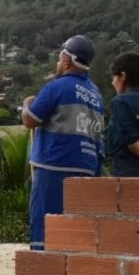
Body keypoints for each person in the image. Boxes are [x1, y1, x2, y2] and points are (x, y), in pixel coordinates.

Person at [22, 35, 104, 251]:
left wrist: (26, 104)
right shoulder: (95, 93)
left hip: (54, 166)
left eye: (60, 58)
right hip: (86, 168)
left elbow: (30, 119)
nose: (58, 63)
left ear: (67, 62)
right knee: (74, 227)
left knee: (45, 223)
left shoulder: (57, 87)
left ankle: (40, 270)